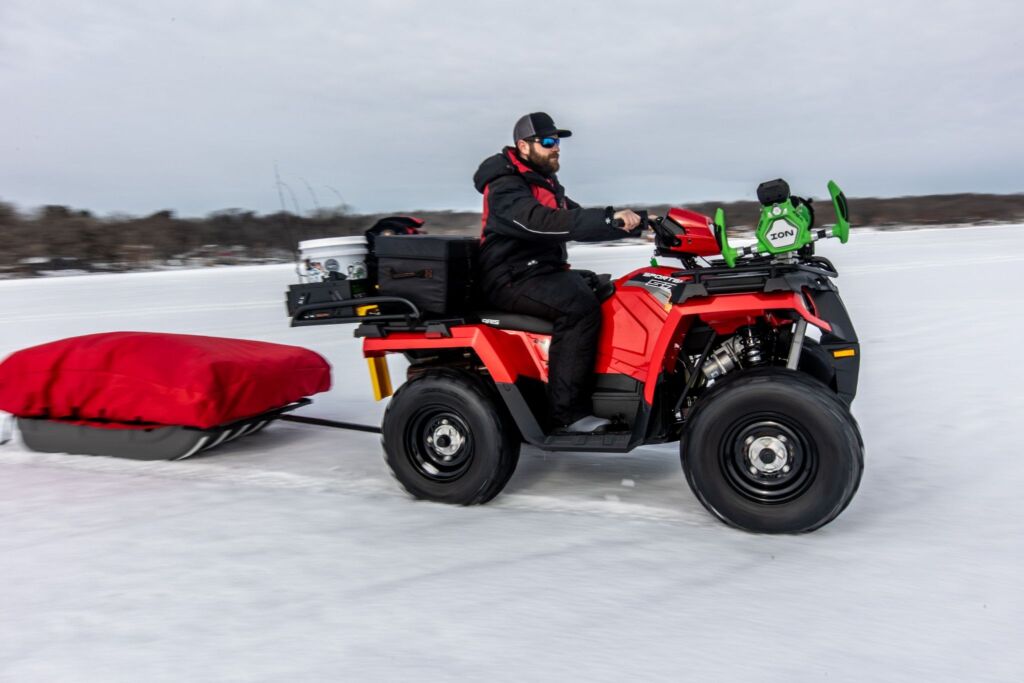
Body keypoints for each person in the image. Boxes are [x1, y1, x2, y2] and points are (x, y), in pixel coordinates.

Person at [472, 112, 642, 434]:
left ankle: (610, 382)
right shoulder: (505, 185)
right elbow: (538, 221)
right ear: (523, 145)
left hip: (538, 271)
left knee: (604, 289)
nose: (556, 148)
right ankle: (567, 414)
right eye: (548, 142)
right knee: (579, 309)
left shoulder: (543, 181)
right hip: (508, 277)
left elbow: (577, 218)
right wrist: (608, 220)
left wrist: (638, 224)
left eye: (558, 142)